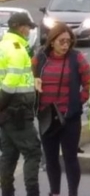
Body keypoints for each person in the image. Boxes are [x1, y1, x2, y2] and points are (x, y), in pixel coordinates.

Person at [33, 23, 90, 196]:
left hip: (69, 118)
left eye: (68, 41)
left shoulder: (77, 58)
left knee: (70, 158)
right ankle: (55, 192)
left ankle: (73, 193)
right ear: (52, 42)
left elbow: (88, 83)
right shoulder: (40, 58)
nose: (65, 45)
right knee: (50, 159)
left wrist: (78, 101)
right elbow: (31, 77)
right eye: (61, 41)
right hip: (46, 117)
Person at [0, 13, 42, 196]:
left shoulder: (4, 44)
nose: (29, 31)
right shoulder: (16, 49)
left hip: (7, 111)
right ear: (19, 26)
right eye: (27, 27)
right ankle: (33, 193)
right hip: (17, 110)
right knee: (33, 152)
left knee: (9, 155)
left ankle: (7, 192)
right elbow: (11, 81)